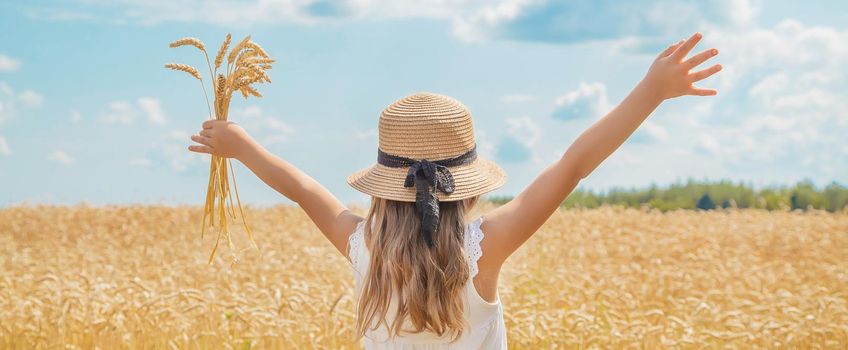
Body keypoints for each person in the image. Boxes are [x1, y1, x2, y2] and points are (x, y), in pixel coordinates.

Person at [188, 32, 721, 349]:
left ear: (384, 185)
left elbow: (303, 189)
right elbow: (573, 165)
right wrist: (651, 92)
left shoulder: (361, 245)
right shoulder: (484, 247)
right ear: (465, 185)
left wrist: (241, 146)